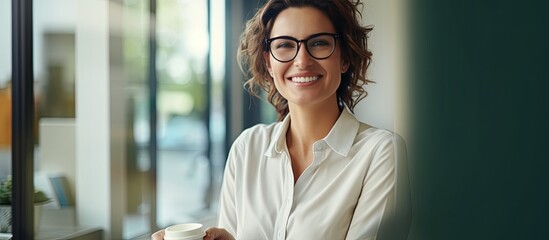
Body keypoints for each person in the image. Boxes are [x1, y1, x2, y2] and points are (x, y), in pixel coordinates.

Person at [153, 0, 410, 239]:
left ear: (344, 58)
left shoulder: (381, 152)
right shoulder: (247, 148)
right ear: (269, 63)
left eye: (319, 43)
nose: (302, 60)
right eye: (285, 45)